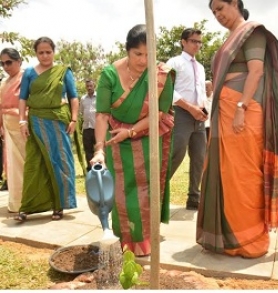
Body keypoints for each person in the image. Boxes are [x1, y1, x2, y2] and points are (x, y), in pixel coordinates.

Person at [196, 0, 278, 258]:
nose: (217, 15)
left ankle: (251, 240)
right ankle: (229, 240)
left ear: (235, 3)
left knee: (244, 174)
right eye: (213, 12)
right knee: (226, 174)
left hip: (243, 113)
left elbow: (255, 71)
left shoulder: (252, 31)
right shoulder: (228, 39)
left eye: (221, 8)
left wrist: (240, 107)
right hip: (225, 112)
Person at [90, 24, 175, 256]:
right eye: (138, 54)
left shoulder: (161, 75)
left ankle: (145, 239)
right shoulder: (109, 74)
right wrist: (99, 149)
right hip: (115, 140)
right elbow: (102, 114)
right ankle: (123, 239)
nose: (143, 60)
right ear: (127, 50)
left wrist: (131, 131)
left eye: (149, 55)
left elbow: (159, 114)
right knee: (121, 192)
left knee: (145, 190)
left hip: (149, 136)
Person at [14, 36, 79, 222]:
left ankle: (60, 206)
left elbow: (74, 97)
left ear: (53, 52)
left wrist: (74, 119)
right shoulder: (28, 73)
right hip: (36, 122)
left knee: (61, 161)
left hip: (59, 121)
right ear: (36, 53)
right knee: (34, 164)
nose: (44, 56)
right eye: (41, 52)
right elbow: (23, 99)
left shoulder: (63, 72)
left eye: (48, 52)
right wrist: (22, 121)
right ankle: (27, 207)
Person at [166, 28, 207, 210]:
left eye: (199, 42)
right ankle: (157, 191)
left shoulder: (200, 67)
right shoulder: (174, 62)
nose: (197, 45)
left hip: (199, 116)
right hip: (181, 113)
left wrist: (203, 110)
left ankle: (193, 198)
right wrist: (190, 108)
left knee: (199, 157)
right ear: (183, 41)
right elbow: (167, 89)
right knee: (177, 153)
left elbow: (201, 92)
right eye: (193, 41)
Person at [0, 48, 26, 211]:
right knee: (11, 165)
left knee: (24, 163)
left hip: (22, 125)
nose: (5, 66)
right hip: (7, 126)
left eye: (9, 62)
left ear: (19, 61)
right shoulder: (3, 82)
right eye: (2, 63)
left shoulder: (26, 78)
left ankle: (28, 201)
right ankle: (15, 202)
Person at [79, 79, 96, 171]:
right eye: (87, 86)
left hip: (97, 128)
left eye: (91, 86)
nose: (89, 88)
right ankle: (90, 169)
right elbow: (81, 112)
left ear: (94, 86)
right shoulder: (83, 98)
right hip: (86, 128)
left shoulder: (99, 97)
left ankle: (101, 167)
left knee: (99, 149)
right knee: (88, 150)